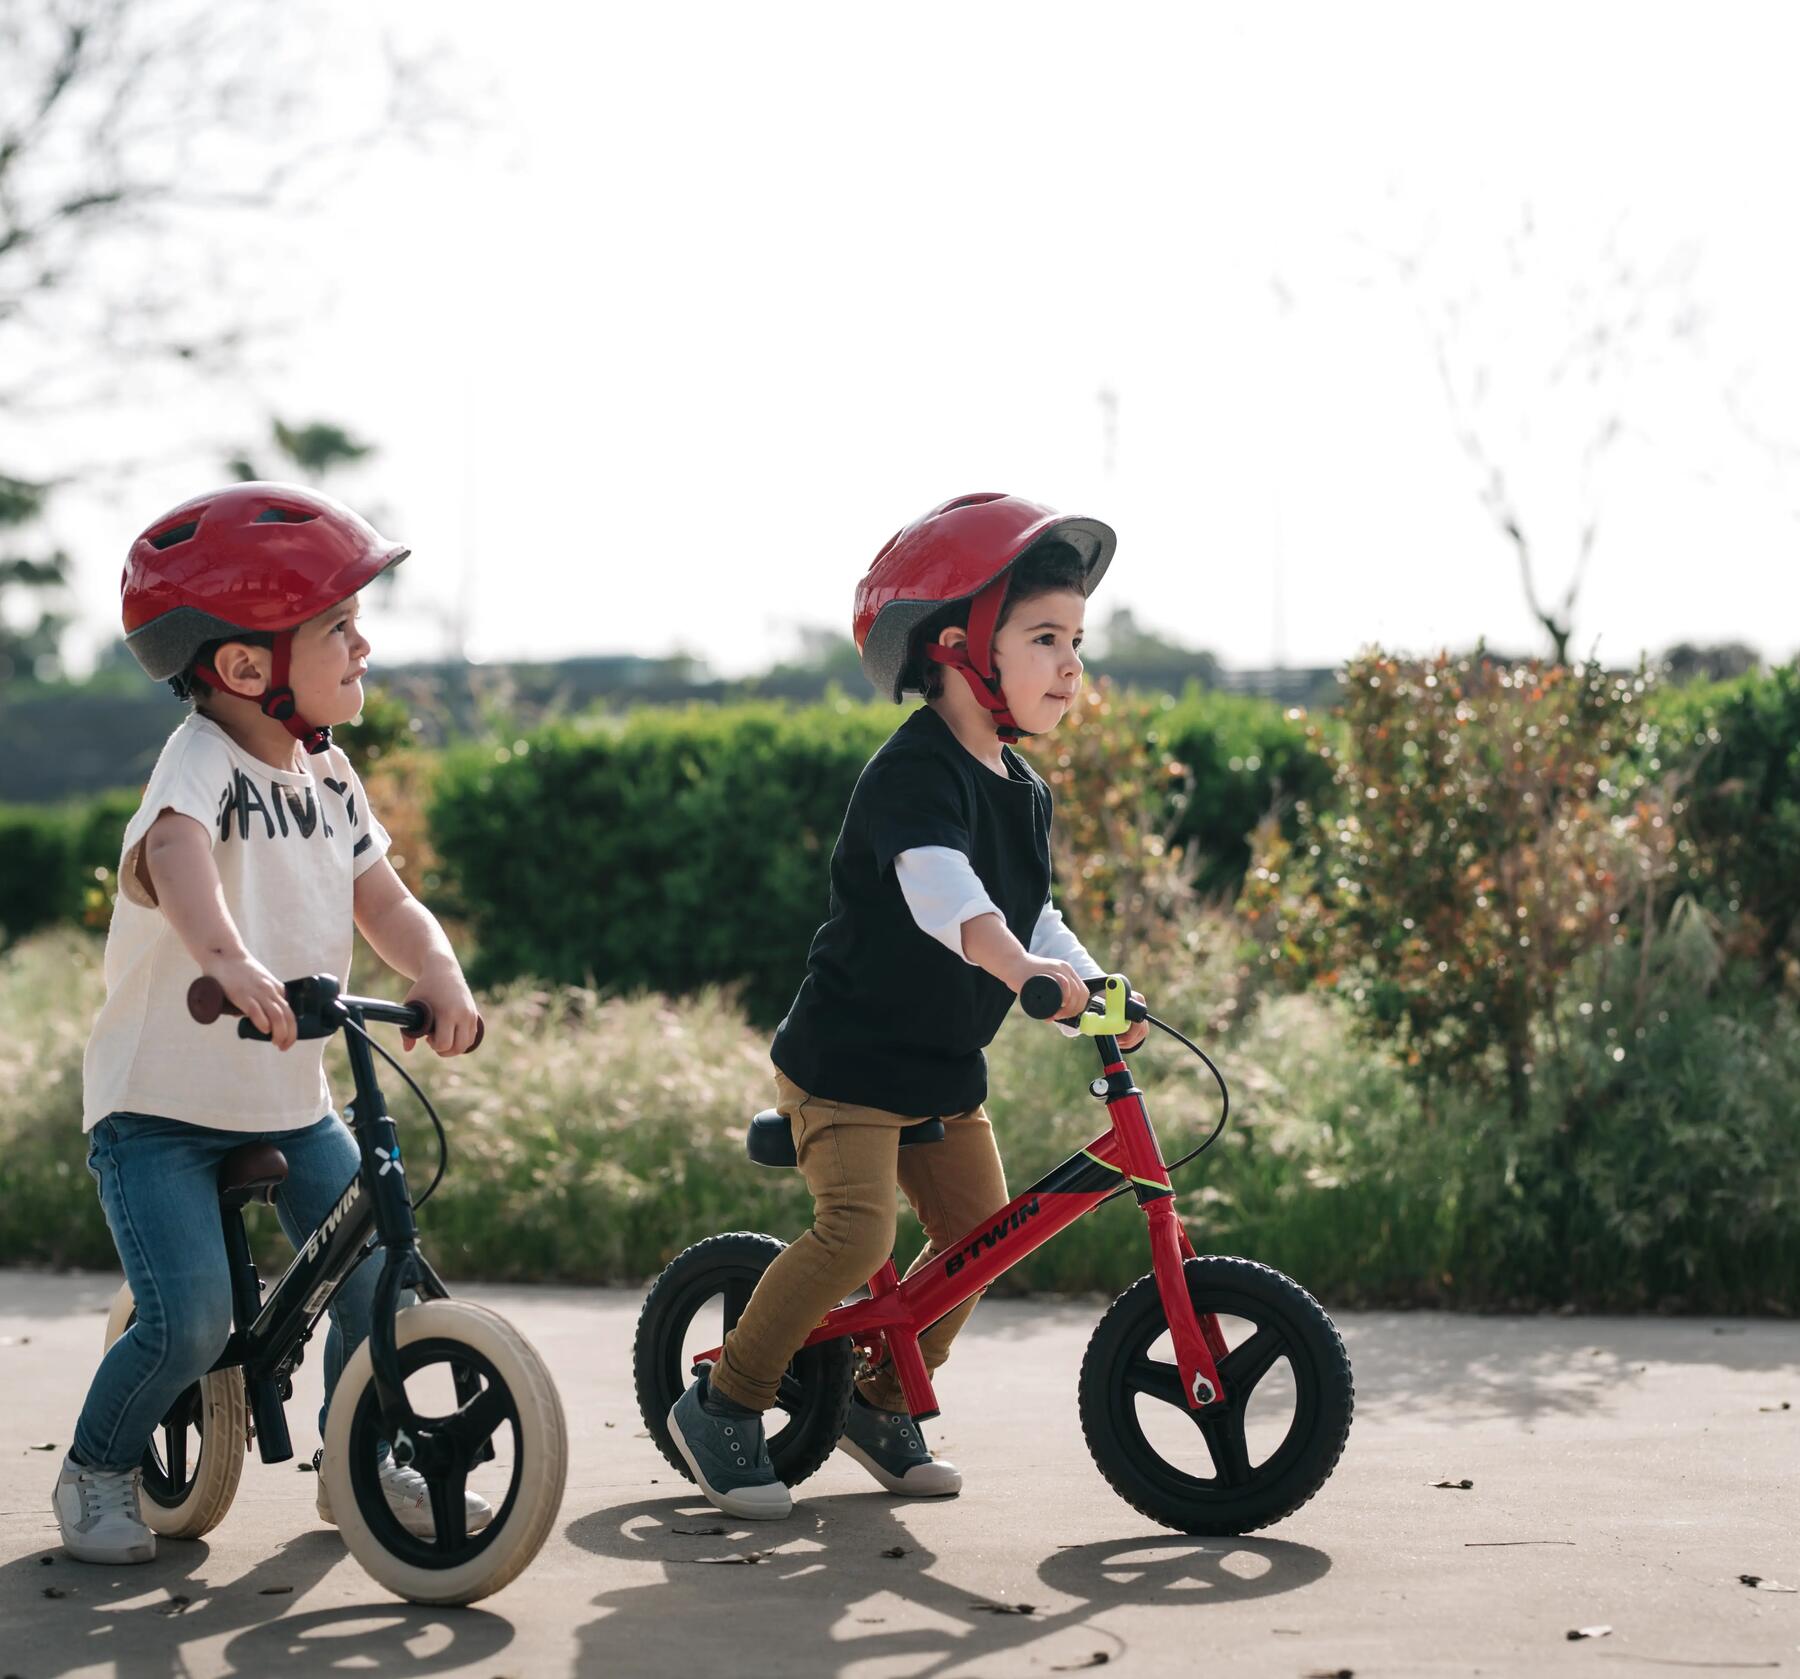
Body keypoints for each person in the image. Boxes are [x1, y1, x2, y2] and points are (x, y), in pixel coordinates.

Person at [667, 492, 1148, 1520]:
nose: (1071, 665)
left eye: (1078, 642)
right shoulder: (913, 773)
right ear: (960, 646)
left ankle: (881, 1400)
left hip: (938, 1065)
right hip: (847, 1061)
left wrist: (1089, 990)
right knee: (854, 1231)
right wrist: (1016, 965)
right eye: (1046, 639)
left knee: (985, 1228)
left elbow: (1033, 914)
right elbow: (952, 902)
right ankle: (724, 1399)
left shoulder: (1021, 786)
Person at [54, 483, 487, 1564]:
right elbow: (176, 856)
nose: (364, 644)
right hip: (157, 1106)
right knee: (191, 1318)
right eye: (338, 626)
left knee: (381, 1265)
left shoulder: (330, 774)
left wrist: (435, 968)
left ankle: (362, 1457)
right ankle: (98, 1468)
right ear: (246, 667)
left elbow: (380, 894)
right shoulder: (200, 759)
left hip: (288, 1095)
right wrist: (232, 960)